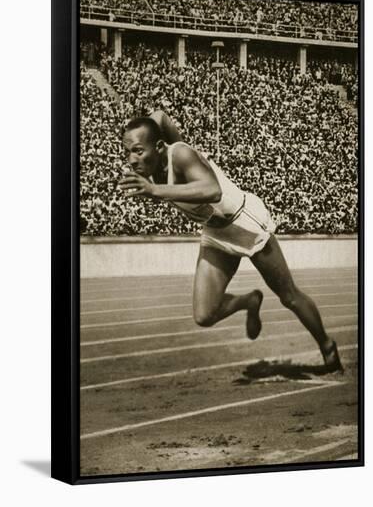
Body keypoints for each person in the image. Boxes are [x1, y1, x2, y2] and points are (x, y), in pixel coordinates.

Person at [119, 109, 343, 373]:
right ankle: (248, 301)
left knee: (289, 296)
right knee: (204, 315)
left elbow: (213, 191)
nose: (132, 160)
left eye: (138, 151)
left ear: (158, 146)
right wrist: (151, 139)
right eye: (127, 152)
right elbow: (159, 116)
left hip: (243, 222)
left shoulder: (180, 155)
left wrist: (157, 189)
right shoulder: (154, 164)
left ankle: (327, 347)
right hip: (216, 232)